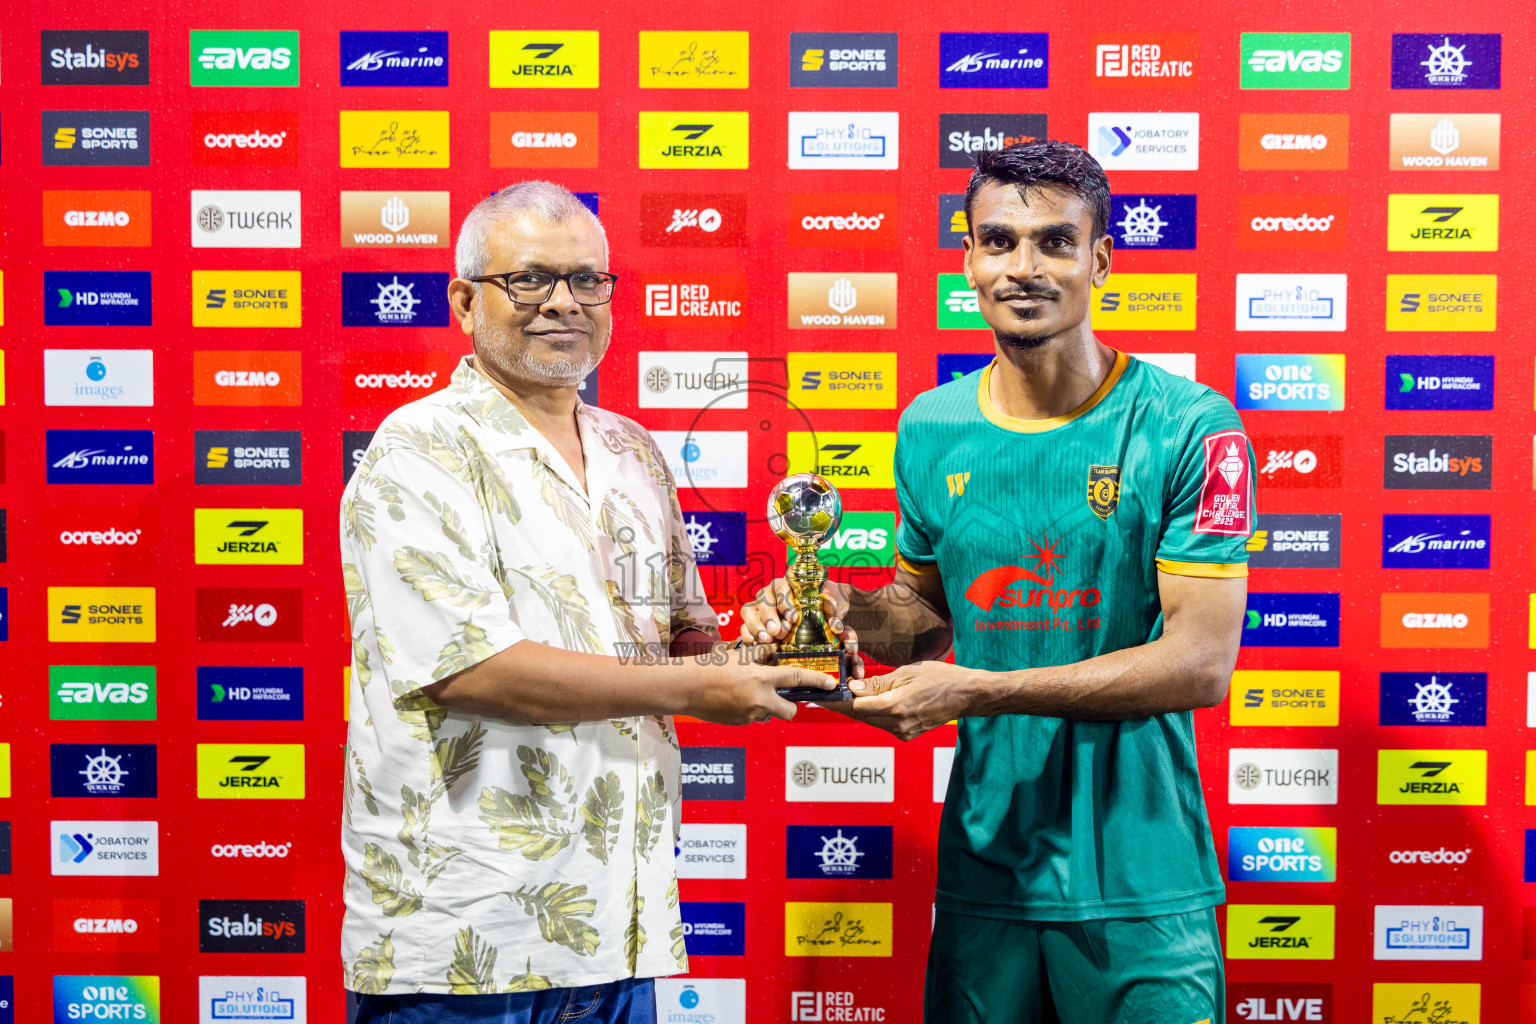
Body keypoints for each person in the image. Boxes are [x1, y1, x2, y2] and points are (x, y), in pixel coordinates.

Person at [742, 140, 1253, 1024]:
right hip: (988, 867)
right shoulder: (931, 426)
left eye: (1055, 242)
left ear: (1099, 260)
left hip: (1144, 874)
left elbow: (1201, 663)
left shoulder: (1189, 425)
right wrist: (833, 611)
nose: (1025, 267)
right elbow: (924, 617)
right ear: (968, 261)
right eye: (999, 241)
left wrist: (981, 691)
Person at [340, 180, 836, 1024]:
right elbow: (473, 671)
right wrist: (701, 685)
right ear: (464, 301)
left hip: (619, 926)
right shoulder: (418, 448)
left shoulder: (632, 450)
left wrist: (768, 648)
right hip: (467, 939)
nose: (563, 302)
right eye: (528, 279)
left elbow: (679, 646)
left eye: (587, 280)